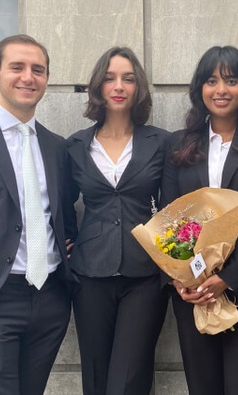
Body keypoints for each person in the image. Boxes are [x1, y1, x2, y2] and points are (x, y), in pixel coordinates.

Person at [161, 45, 238, 395]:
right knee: (203, 387)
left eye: (231, 80)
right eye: (212, 80)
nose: (220, 90)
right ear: (199, 88)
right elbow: (170, 218)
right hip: (193, 291)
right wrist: (181, 278)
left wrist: (227, 278)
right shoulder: (179, 145)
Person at [65, 46, 169, 395]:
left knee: (128, 379)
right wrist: (69, 238)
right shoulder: (76, 146)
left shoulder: (160, 143)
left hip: (145, 276)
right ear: (98, 87)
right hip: (89, 274)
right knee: (95, 376)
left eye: (127, 78)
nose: (118, 85)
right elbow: (64, 203)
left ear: (138, 87)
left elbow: (172, 207)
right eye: (109, 78)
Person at [0, 34, 75, 395]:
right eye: (17, 67)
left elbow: (63, 215)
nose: (28, 77)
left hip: (50, 300)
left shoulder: (57, 146)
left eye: (38, 70)